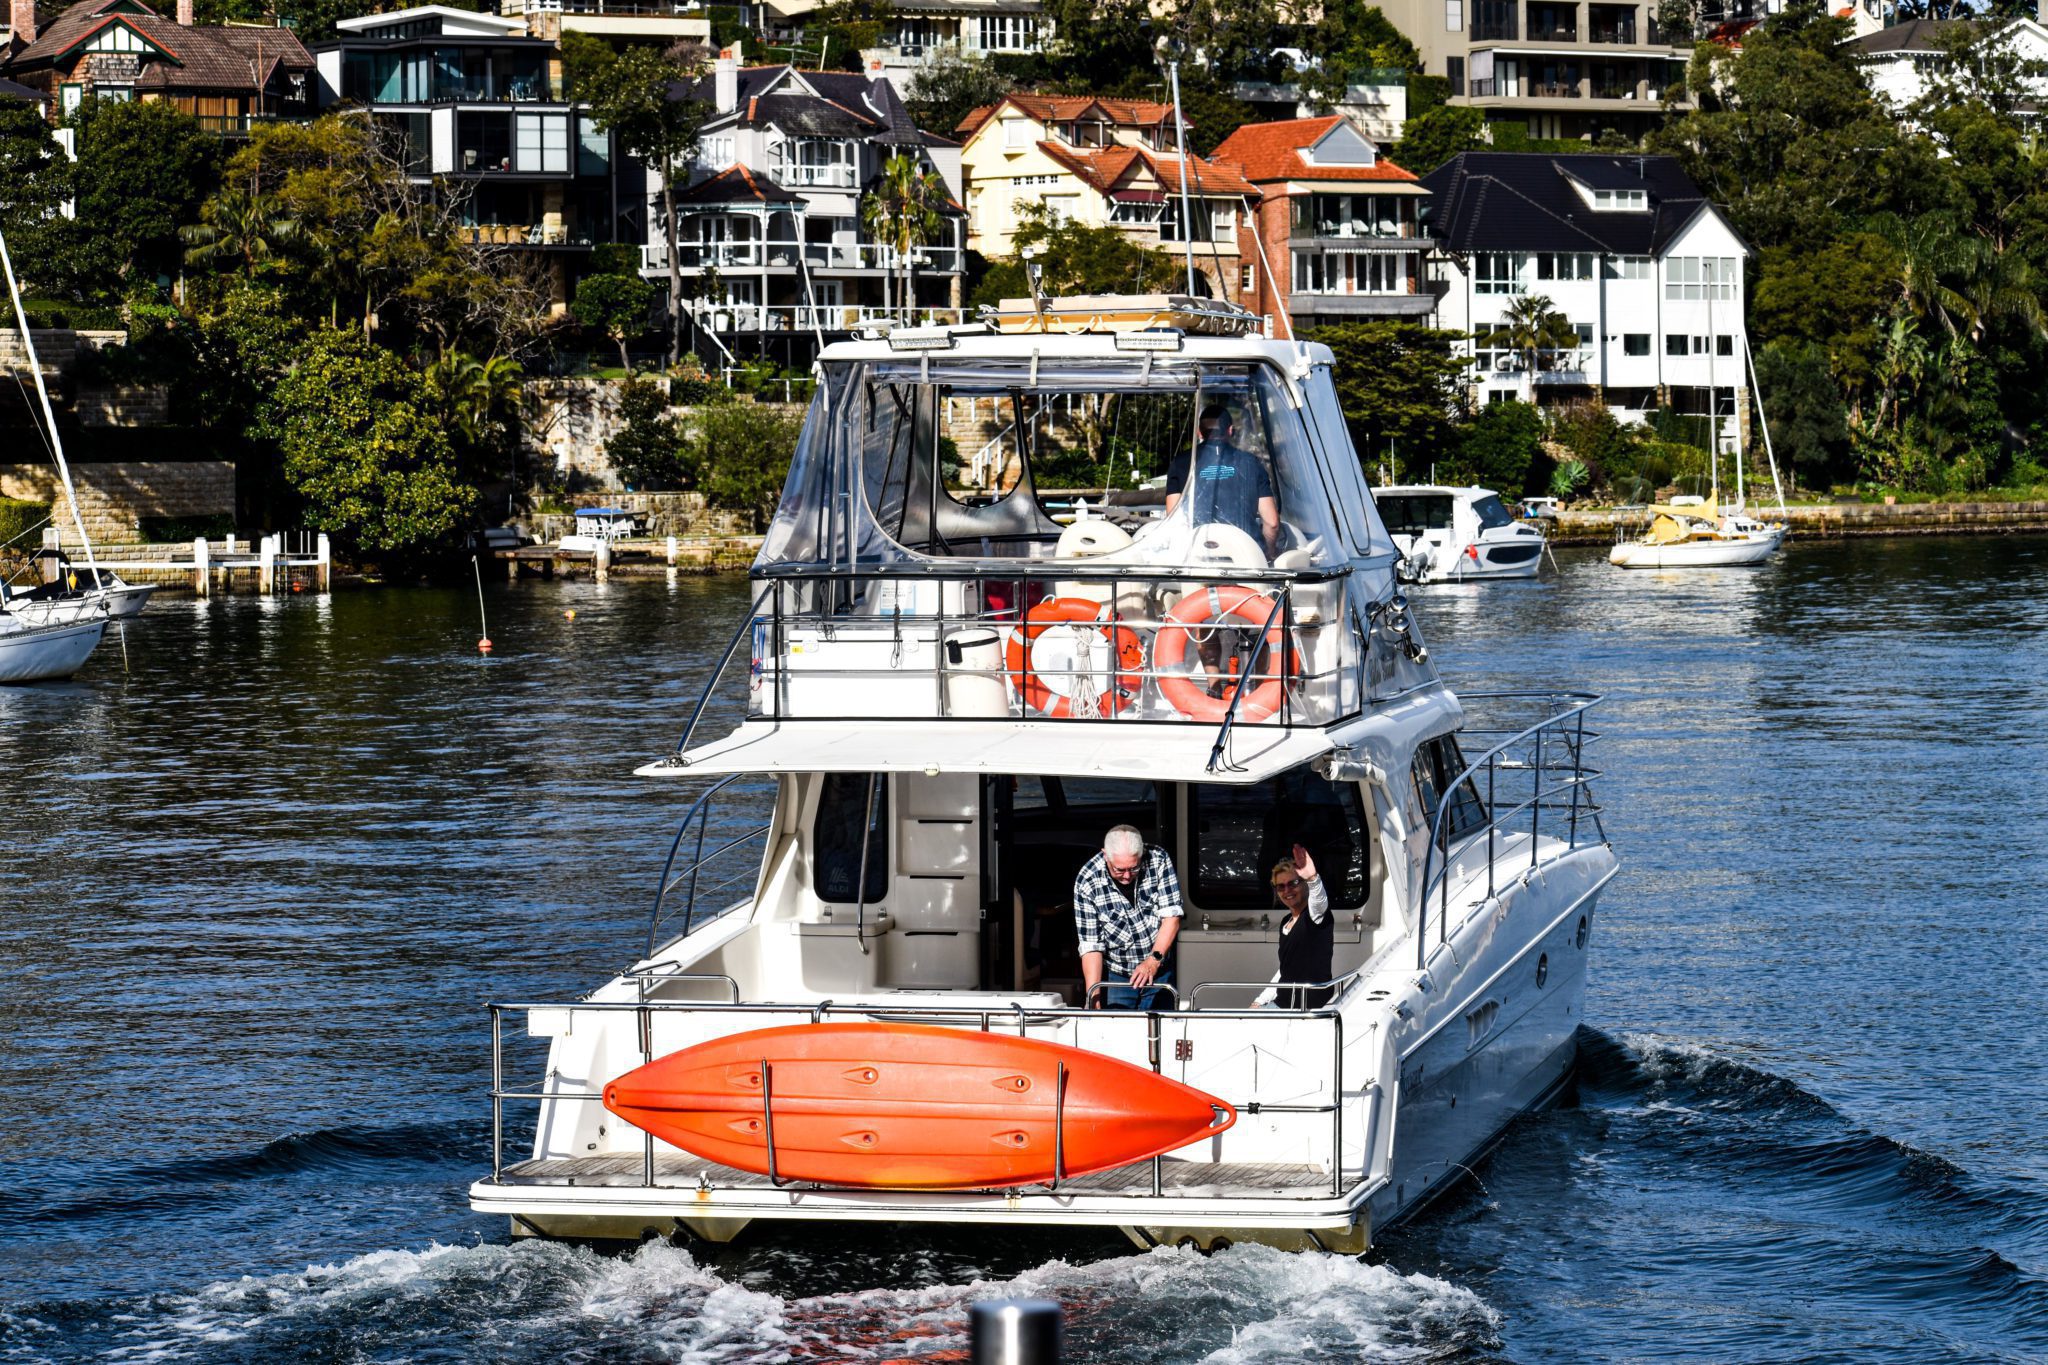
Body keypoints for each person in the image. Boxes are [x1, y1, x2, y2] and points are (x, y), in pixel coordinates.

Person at [1071, 824, 1183, 1010]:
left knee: (1162, 1030)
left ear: (1141, 854)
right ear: (1105, 855)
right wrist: (1094, 997)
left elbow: (1171, 917)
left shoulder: (1158, 859)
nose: (1127, 876)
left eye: (1134, 868)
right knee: (1117, 1031)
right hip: (1118, 973)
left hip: (1159, 967)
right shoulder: (1087, 881)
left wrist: (1153, 961)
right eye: (1119, 870)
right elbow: (1091, 946)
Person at [1165, 403, 1280, 560]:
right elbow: (1272, 522)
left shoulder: (1181, 462)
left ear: (1199, 433)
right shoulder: (1251, 462)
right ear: (1230, 430)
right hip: (1246, 560)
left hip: (1197, 560)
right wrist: (1269, 553)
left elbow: (1173, 518)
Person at [1258, 843, 1333, 1010]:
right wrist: (1260, 1000)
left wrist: (1313, 878)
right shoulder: (1286, 922)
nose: (1287, 890)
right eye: (1281, 886)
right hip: (1283, 1003)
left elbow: (1319, 901)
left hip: (1309, 1007)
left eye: (1293, 883)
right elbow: (1285, 971)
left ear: (1304, 883)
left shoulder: (1316, 915)